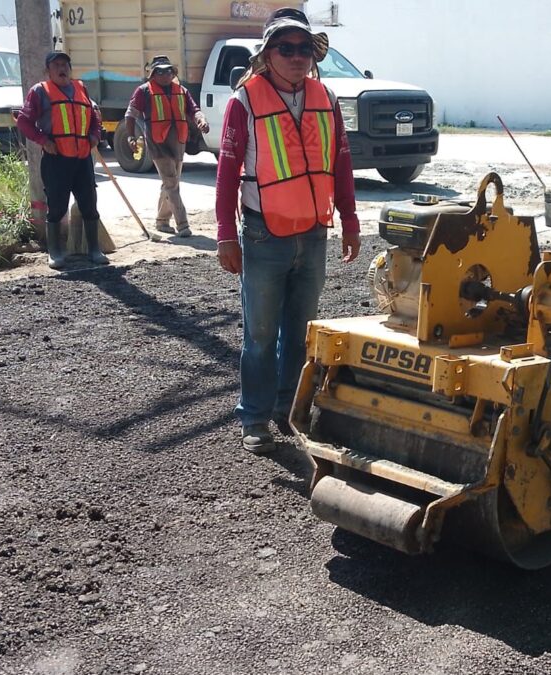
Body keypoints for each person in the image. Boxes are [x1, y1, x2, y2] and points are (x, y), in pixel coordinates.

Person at [214, 7, 361, 454]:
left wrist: (351, 221)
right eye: (286, 48)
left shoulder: (327, 97)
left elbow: (340, 162)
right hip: (264, 235)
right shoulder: (245, 100)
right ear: (269, 52)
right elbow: (226, 170)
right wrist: (224, 232)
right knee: (259, 335)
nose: (296, 56)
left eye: (303, 48)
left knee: (300, 332)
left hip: (314, 233)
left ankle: (288, 409)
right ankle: (255, 418)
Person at [16, 50, 107, 269]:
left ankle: (94, 249)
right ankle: (55, 252)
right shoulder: (40, 92)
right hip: (57, 159)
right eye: (56, 65)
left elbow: (94, 116)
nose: (62, 68)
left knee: (89, 204)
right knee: (56, 207)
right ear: (48, 71)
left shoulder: (80, 88)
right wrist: (43, 140)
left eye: (65, 64)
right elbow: (24, 122)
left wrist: (96, 136)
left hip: (82, 157)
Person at [124, 55, 209, 237]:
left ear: (173, 72)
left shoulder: (182, 91)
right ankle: (183, 224)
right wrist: (131, 136)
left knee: (170, 183)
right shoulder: (144, 91)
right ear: (153, 74)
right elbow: (130, 115)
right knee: (171, 182)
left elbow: (194, 110)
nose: (165, 74)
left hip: (178, 142)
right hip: (157, 143)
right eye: (160, 71)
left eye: (168, 70)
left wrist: (201, 120)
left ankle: (162, 221)